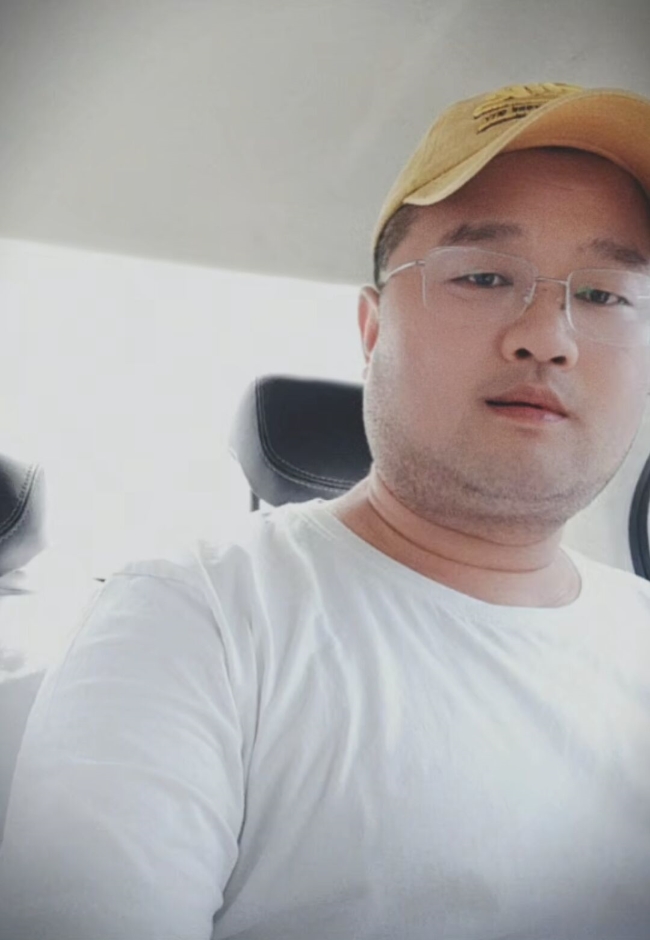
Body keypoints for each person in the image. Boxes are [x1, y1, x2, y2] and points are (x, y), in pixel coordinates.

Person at [1, 81, 650, 940]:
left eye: (605, 295)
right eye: (485, 275)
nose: (550, 335)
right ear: (372, 333)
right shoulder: (200, 618)